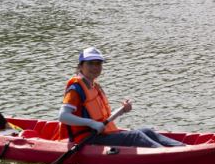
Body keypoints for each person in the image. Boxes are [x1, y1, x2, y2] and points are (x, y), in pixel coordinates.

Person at [55, 48, 185, 148]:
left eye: (98, 64)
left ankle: (183, 148)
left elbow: (101, 118)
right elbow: (63, 116)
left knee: (146, 131)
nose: (95, 67)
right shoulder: (76, 88)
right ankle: (169, 154)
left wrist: (121, 111)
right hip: (88, 139)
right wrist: (91, 123)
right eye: (90, 63)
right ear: (80, 66)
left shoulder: (94, 86)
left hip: (102, 134)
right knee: (135, 135)